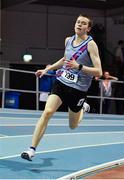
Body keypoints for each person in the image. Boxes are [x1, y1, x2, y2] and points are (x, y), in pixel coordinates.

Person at [21, 14, 102, 161]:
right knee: (47, 112)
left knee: (73, 125)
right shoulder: (68, 40)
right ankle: (31, 149)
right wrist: (47, 69)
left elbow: (99, 71)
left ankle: (83, 107)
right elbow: (64, 60)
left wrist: (79, 66)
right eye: (78, 22)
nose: (79, 24)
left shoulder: (91, 45)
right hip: (62, 82)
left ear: (88, 28)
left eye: (83, 23)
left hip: (78, 89)